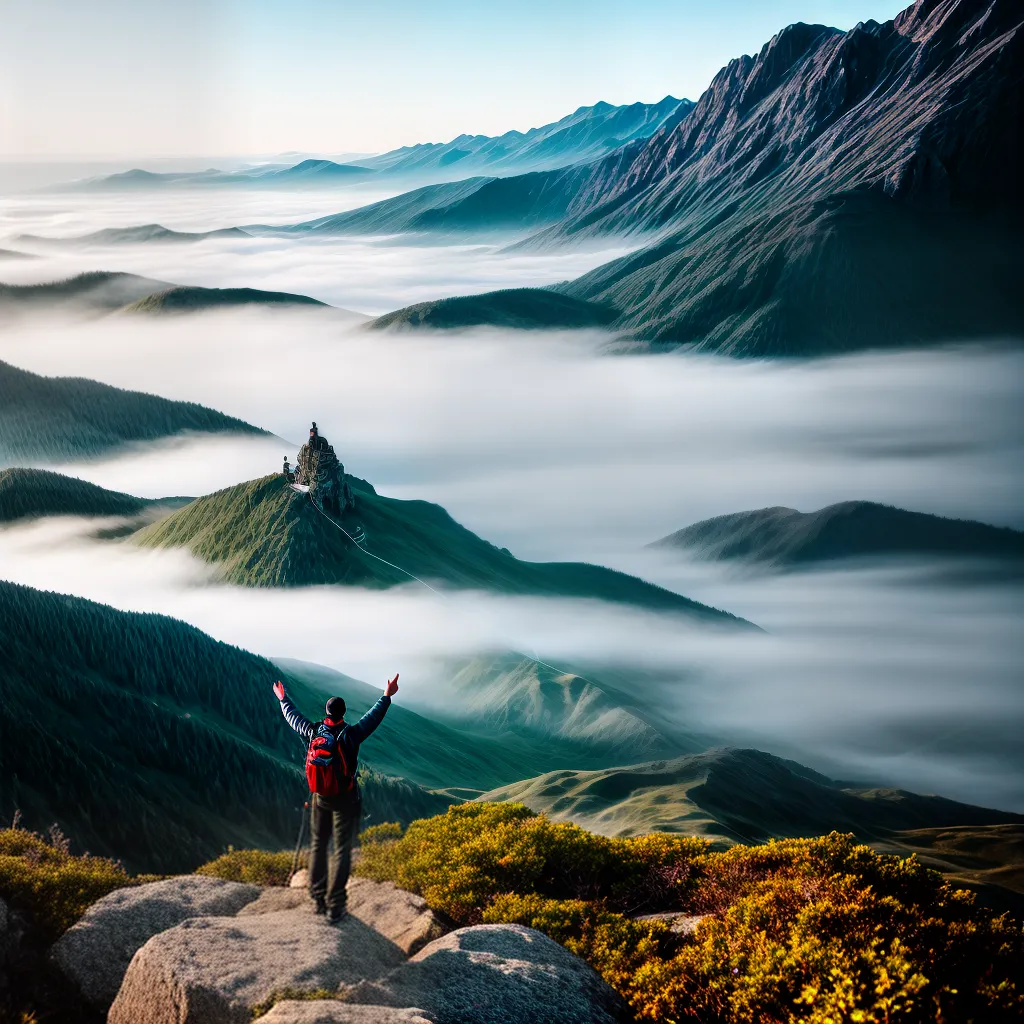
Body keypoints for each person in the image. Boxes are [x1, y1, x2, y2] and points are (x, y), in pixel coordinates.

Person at [272, 673, 399, 922]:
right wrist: (386, 696)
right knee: (341, 849)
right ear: (343, 713)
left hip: (320, 797)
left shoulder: (313, 731)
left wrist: (283, 699)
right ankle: (335, 906)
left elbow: (293, 718)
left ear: (327, 712)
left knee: (318, 845)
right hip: (346, 798)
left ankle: (317, 899)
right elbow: (372, 719)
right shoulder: (350, 735)